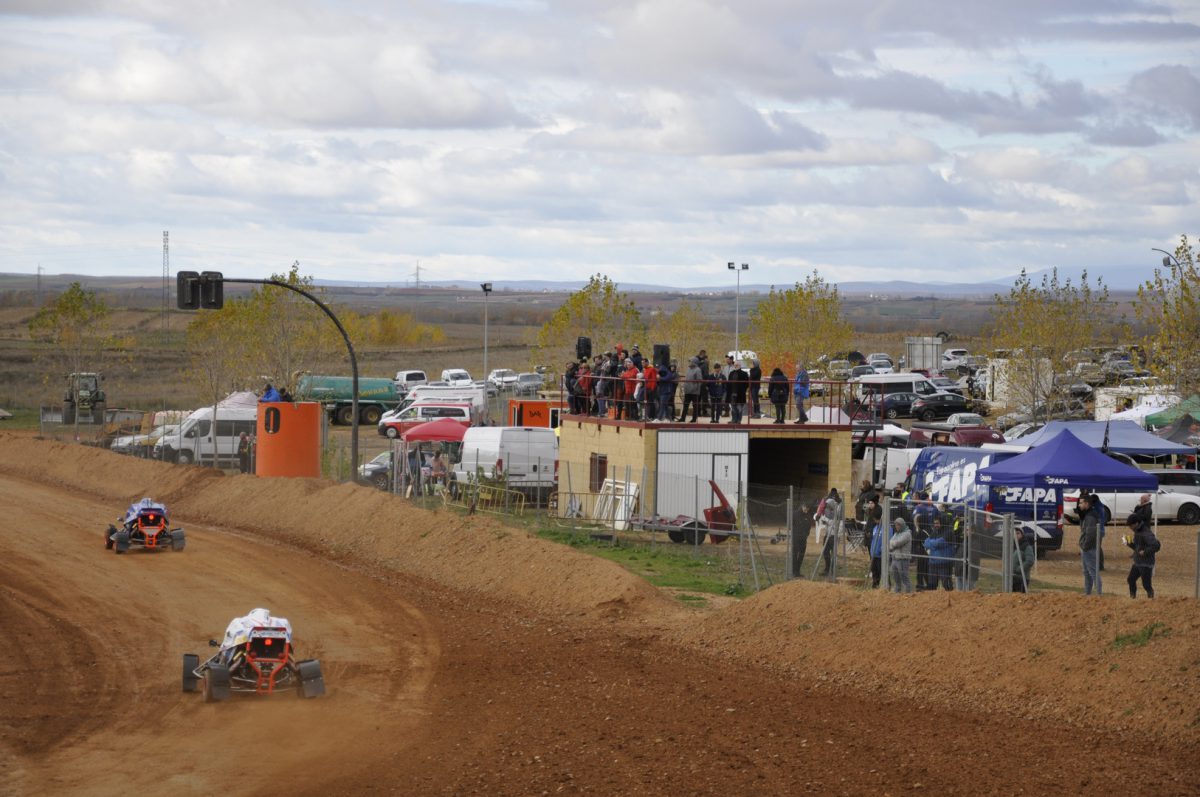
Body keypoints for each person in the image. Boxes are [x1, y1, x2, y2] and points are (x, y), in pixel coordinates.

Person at [220, 607, 293, 662]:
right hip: (276, 650)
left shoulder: (240, 621)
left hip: (249, 651)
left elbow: (227, 644)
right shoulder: (281, 622)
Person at [1124, 514, 1160, 598]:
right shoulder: (1138, 531)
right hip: (1138, 562)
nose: (1130, 527)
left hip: (1146, 564)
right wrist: (1129, 544)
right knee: (1131, 579)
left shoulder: (1146, 533)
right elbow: (1138, 548)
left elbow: (1156, 546)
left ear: (1136, 523)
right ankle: (1132, 597)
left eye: (1130, 525)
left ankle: (1151, 599)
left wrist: (1145, 552)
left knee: (1146, 585)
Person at [923, 516, 956, 591]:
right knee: (931, 586)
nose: (936, 525)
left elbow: (940, 543)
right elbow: (925, 543)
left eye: (937, 523)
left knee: (947, 586)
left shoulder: (948, 532)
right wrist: (934, 543)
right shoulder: (934, 532)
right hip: (933, 563)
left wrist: (932, 544)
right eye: (934, 523)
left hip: (944, 564)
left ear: (942, 523)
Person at [1078, 495, 1102, 596]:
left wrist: (1085, 546)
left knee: (1092, 571)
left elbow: (1090, 533)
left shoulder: (1091, 516)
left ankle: (1098, 594)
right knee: (1086, 571)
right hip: (1087, 547)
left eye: (1081, 503)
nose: (1079, 505)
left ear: (1086, 503)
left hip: (1089, 548)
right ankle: (1087, 592)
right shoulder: (1088, 514)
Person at [888, 517, 914, 593]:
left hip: (903, 558)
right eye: (896, 525)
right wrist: (892, 544)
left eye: (898, 525)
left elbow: (898, 543)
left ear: (902, 525)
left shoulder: (907, 534)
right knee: (895, 577)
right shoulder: (896, 534)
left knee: (904, 577)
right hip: (895, 558)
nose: (897, 527)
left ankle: (908, 593)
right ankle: (897, 592)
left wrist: (892, 544)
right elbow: (890, 542)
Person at [679, 357, 702, 422]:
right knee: (685, 405)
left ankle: (694, 419)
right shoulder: (688, 369)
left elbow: (699, 380)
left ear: (694, 362)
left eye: (691, 361)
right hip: (688, 391)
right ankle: (683, 418)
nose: (689, 363)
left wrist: (695, 388)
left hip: (694, 392)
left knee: (695, 406)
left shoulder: (698, 370)